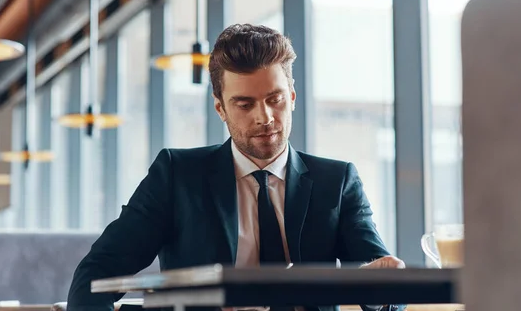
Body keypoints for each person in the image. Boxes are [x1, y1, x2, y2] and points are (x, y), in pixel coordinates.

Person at [67, 24, 405, 311]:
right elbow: (97, 273)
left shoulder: (337, 181)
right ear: (220, 108)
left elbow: (384, 285)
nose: (265, 117)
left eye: (276, 99)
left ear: (293, 97)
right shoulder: (177, 175)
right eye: (245, 104)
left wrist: (378, 288)